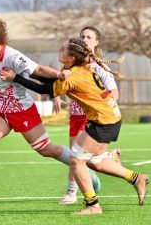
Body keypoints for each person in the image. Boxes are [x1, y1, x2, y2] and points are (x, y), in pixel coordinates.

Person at [0, 13, 100, 207]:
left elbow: (38, 69)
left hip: (22, 110)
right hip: (0, 109)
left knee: (46, 149)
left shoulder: (13, 56)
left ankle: (83, 168)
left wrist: (59, 74)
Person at [0, 38, 149, 215]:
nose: (59, 50)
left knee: (76, 160)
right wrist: (24, 71)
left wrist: (16, 77)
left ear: (71, 58)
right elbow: (47, 80)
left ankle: (93, 205)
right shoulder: (73, 69)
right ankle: (136, 178)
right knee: (95, 162)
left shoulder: (73, 76)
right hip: (109, 118)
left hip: (104, 121)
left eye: (63, 49)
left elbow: (44, 90)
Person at [53, 26, 123, 205]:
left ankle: (71, 193)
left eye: (89, 37)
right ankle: (109, 158)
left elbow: (114, 93)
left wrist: (104, 108)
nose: (85, 39)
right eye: (82, 36)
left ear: (97, 42)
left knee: (76, 156)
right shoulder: (73, 62)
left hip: (91, 116)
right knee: (77, 156)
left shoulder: (99, 66)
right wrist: (57, 98)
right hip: (75, 114)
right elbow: (62, 82)